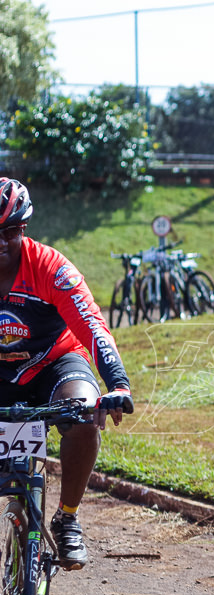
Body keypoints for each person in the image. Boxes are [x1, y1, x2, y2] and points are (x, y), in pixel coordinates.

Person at [0, 177, 134, 570]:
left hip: (55, 362)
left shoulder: (51, 268)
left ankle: (67, 516)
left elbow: (93, 327)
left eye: (9, 232)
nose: (0, 243)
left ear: (23, 229)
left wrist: (118, 384)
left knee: (84, 412)